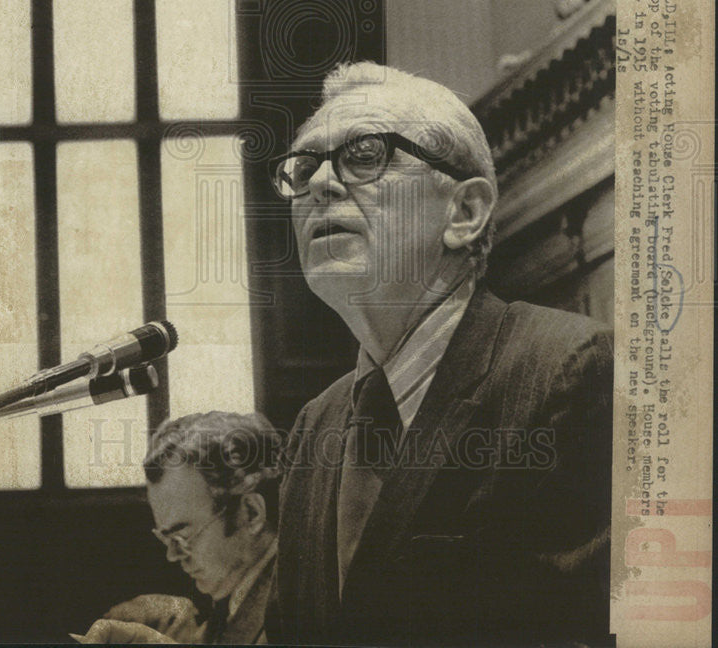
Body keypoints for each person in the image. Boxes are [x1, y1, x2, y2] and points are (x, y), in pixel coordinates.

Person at [266, 62, 613, 647]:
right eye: (303, 167)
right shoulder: (312, 428)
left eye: (366, 152)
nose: (320, 184)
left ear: (464, 213)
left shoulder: (567, 371)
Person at [79, 411, 281, 644]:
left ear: (252, 513)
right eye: (166, 539)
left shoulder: (290, 617)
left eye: (182, 536)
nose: (172, 556)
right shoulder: (235, 602)